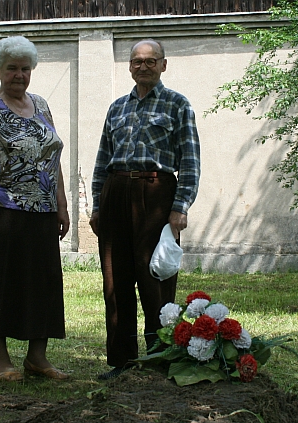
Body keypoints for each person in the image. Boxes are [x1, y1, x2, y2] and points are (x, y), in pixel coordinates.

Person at [0, 35, 70, 382]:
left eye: (25, 68)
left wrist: (62, 206)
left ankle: (38, 357)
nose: (19, 75)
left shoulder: (41, 105)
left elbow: (52, 160)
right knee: (2, 281)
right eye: (12, 68)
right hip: (0, 211)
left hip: (42, 212)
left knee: (44, 282)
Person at [89, 39, 201, 380]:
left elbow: (190, 162)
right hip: (116, 194)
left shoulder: (177, 105)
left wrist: (180, 208)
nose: (143, 66)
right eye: (137, 61)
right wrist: (97, 206)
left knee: (156, 279)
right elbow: (102, 161)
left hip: (156, 196)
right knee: (115, 282)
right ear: (129, 67)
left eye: (151, 61)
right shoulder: (116, 108)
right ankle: (121, 363)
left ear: (163, 65)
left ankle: (159, 357)